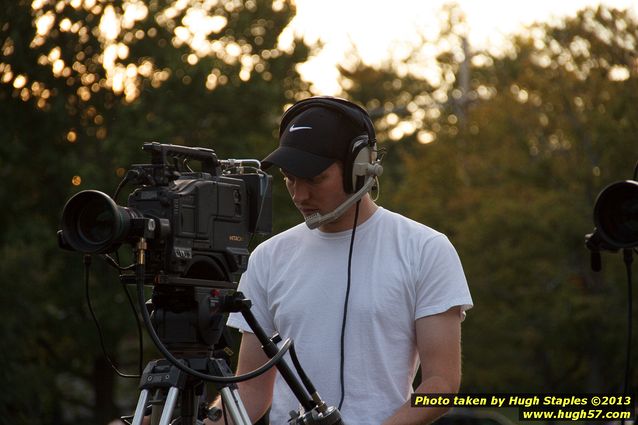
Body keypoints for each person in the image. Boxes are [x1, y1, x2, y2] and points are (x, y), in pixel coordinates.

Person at [209, 96, 473, 425]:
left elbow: (441, 385)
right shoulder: (267, 258)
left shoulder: (426, 249)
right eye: (290, 178)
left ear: (359, 168)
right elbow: (250, 389)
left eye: (315, 179)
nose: (299, 195)